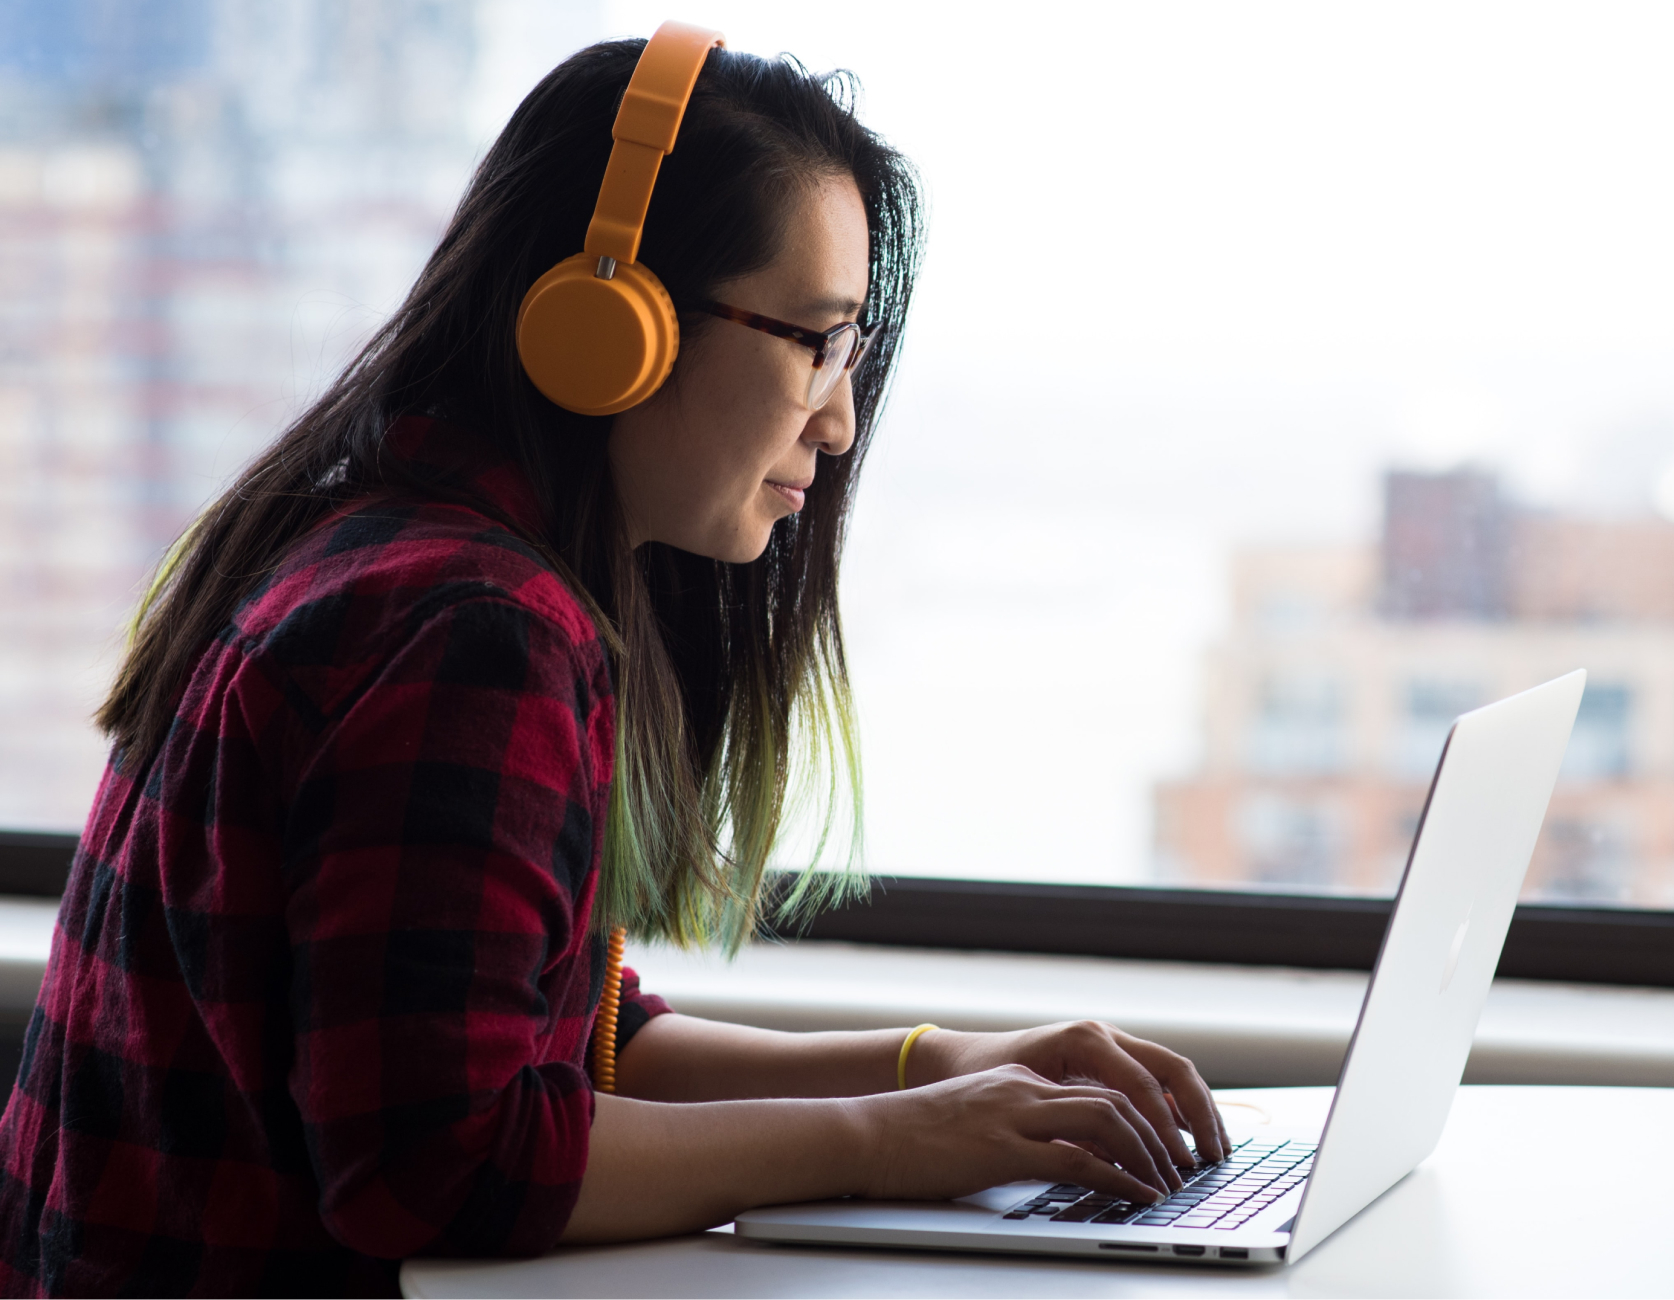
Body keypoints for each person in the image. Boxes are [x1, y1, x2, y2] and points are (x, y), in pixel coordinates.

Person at [0, 31, 1223, 1297]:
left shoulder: (385, 545)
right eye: (816, 341)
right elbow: (441, 1157)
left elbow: (563, 1036)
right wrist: (888, 1143)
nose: (842, 417)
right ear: (610, 319)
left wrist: (936, 1066)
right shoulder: (471, 626)